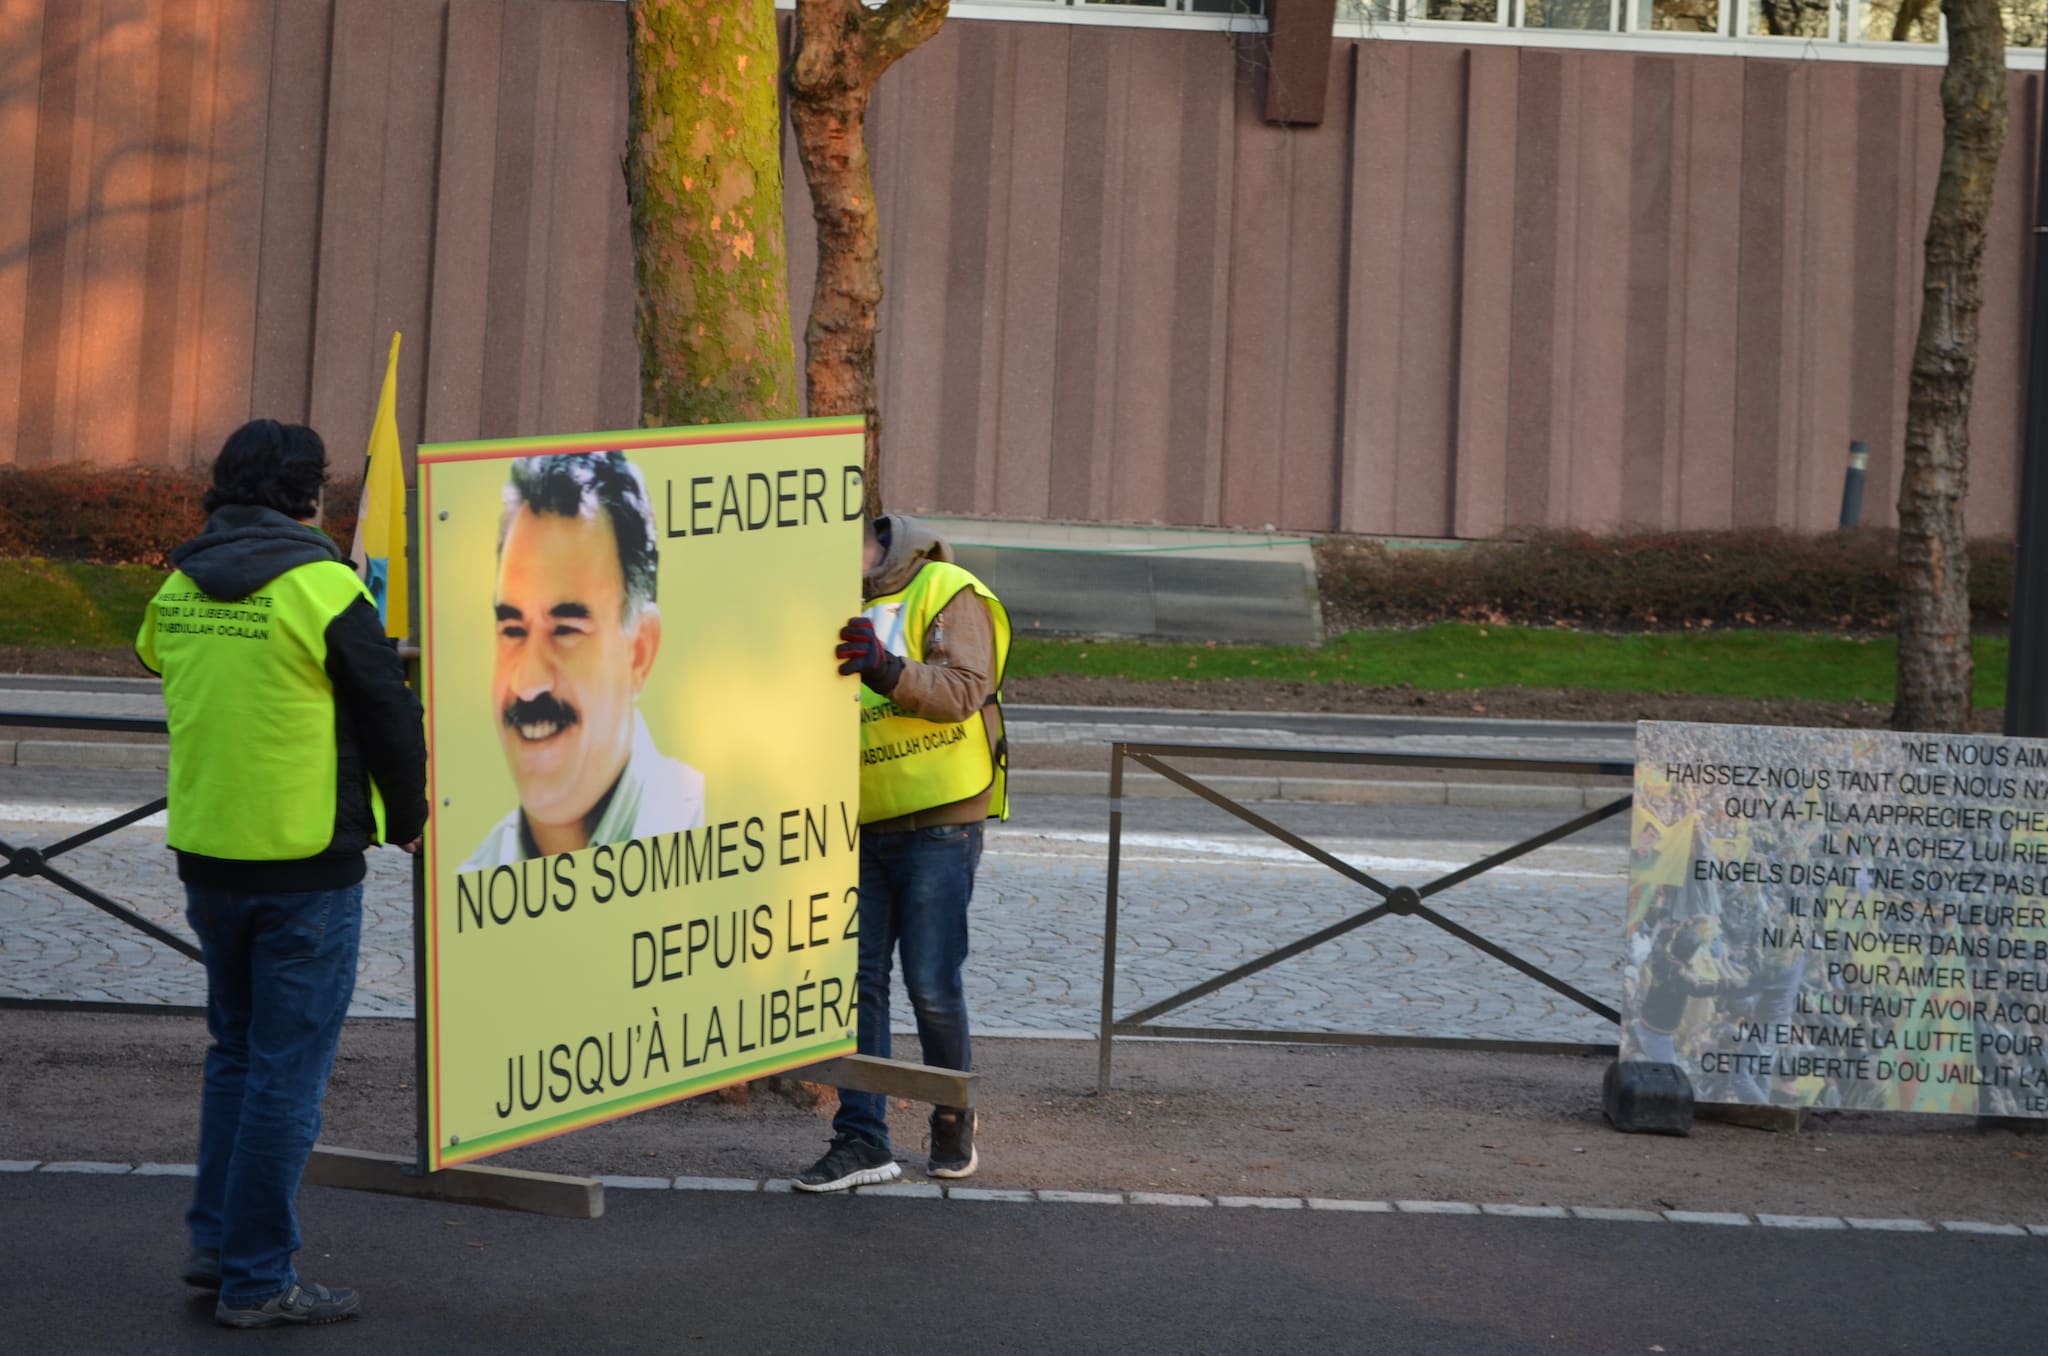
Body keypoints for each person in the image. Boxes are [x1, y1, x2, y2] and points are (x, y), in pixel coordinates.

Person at [135, 419, 428, 1328]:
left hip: (209, 853)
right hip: (304, 862)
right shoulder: (321, 586)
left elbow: (154, 656)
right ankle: (259, 1277)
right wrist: (411, 817)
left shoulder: (178, 581)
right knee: (286, 1076)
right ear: (308, 495)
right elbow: (385, 704)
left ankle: (218, 1244)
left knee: (236, 1054)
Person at [795, 513, 1011, 1192]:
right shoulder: (824, 597)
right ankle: (861, 1140)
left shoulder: (944, 586)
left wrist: (885, 667)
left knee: (930, 984)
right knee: (856, 987)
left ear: (869, 536)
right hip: (856, 819)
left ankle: (953, 1118)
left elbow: (964, 691)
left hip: (940, 819)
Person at [462, 452, 704, 868]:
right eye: (513, 630)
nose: (528, 682)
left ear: (640, 651)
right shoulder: (476, 882)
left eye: (566, 630)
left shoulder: (704, 827)